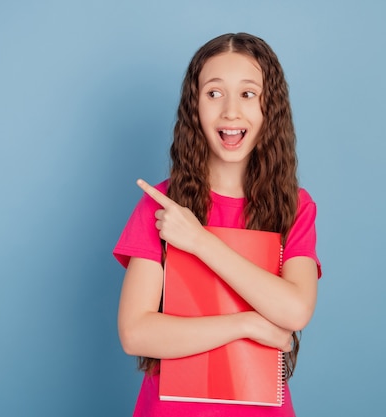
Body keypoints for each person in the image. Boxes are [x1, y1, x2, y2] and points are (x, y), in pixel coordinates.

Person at [113, 32, 321, 417]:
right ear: (194, 107)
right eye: (213, 93)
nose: (230, 111)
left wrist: (199, 241)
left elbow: (294, 311)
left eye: (247, 93)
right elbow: (135, 333)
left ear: (269, 107)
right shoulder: (162, 205)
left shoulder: (295, 206)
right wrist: (245, 324)